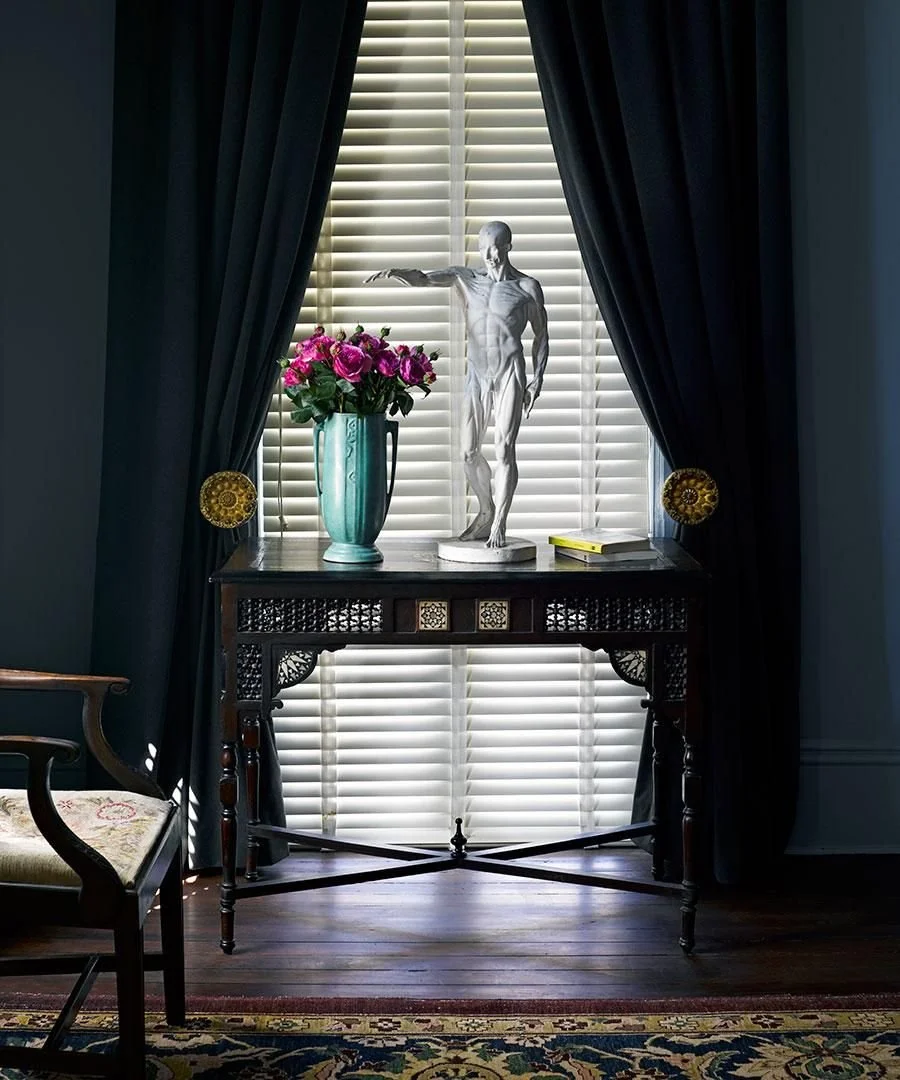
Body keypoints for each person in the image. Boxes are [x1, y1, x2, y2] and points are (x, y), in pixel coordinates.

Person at [364, 221, 549, 549]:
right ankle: (486, 509)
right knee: (467, 452)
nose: (490, 255)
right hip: (477, 374)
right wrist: (396, 271)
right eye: (484, 248)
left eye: (496, 246)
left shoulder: (527, 287)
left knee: (505, 448)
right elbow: (423, 278)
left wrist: (538, 378)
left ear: (509, 246)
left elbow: (541, 336)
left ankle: (500, 523)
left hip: (510, 372)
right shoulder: (465, 279)